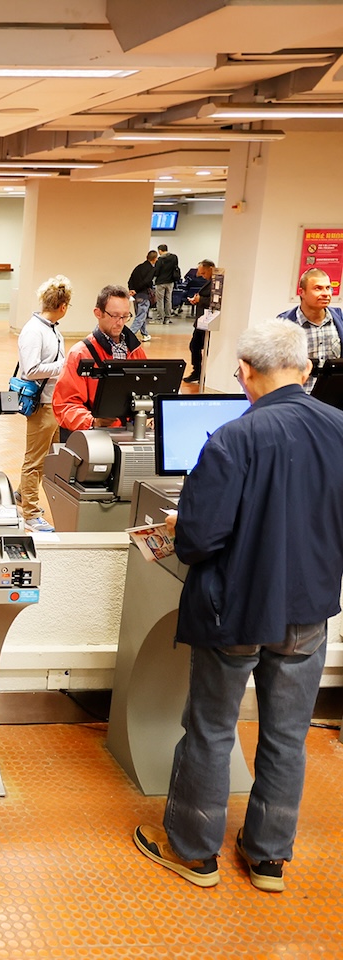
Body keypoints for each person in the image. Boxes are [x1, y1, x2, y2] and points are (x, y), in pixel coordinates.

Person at [133, 319, 343, 894]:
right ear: (305, 371)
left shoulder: (232, 438)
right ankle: (269, 856)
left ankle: (194, 852)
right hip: (308, 611)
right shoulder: (340, 428)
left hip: (235, 611)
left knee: (210, 728)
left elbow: (200, 540)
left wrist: (179, 524)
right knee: (286, 734)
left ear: (247, 373)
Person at [15, 276, 72, 533]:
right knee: (34, 461)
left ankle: (21, 494)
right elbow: (30, 369)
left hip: (54, 402)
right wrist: (64, 366)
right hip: (41, 404)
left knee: (48, 459)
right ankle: (31, 514)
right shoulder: (33, 330)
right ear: (63, 306)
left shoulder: (52, 328)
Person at [51, 284, 148, 432]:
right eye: (114, 316)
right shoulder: (80, 354)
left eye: (125, 316)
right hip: (96, 438)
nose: (120, 322)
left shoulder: (136, 351)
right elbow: (65, 404)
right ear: (98, 313)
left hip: (132, 433)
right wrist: (93, 421)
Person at [276, 267, 342, 392]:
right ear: (302, 292)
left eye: (328, 288)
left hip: (332, 403)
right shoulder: (284, 324)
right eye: (318, 288)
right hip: (297, 401)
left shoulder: (339, 319)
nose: (326, 293)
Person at [184, 260, 215, 383]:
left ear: (211, 269)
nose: (202, 276)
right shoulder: (209, 283)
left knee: (199, 346)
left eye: (203, 273)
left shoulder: (216, 283)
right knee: (194, 346)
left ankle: (200, 372)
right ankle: (197, 371)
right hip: (202, 320)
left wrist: (200, 299)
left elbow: (214, 301)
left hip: (208, 321)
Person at [126, 249, 158, 341]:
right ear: (155, 259)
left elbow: (130, 280)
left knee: (140, 315)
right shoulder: (152, 269)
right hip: (143, 295)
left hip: (135, 296)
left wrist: (132, 290)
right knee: (140, 316)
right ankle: (129, 335)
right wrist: (136, 290)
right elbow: (147, 281)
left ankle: (145, 334)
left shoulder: (138, 267)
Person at [154, 243, 181, 323]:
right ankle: (168, 317)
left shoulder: (160, 260)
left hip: (160, 282)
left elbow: (157, 271)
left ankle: (160, 318)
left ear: (160, 250)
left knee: (160, 300)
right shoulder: (174, 257)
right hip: (170, 282)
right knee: (168, 299)